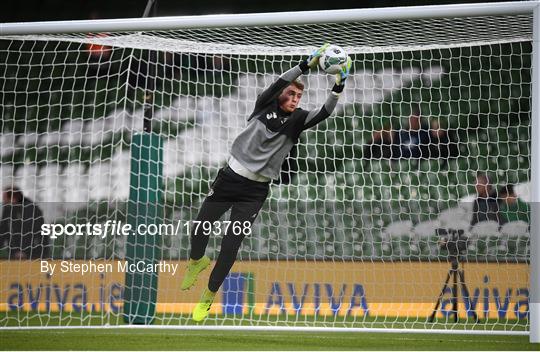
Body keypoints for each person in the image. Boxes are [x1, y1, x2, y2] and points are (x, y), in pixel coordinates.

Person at [180, 43, 351, 321]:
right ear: (281, 95)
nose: (295, 98)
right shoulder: (264, 104)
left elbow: (325, 112)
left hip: (255, 191)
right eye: (292, 93)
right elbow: (280, 81)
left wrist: (338, 85)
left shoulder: (297, 120)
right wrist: (305, 65)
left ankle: (208, 297)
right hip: (230, 178)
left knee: (231, 245)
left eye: (299, 95)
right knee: (200, 225)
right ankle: (196, 261)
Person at [0, 186, 48, 260]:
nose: (4, 202)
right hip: (14, 253)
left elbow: (30, 232)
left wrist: (23, 251)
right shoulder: (8, 209)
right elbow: (3, 230)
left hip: (34, 252)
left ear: (13, 198)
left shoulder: (30, 208)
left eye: (5, 199)